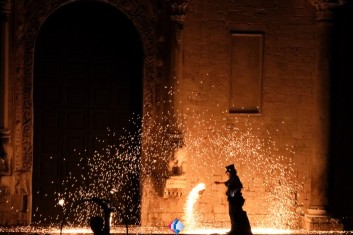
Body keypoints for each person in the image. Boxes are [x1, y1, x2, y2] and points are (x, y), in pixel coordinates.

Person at [214, 164, 252, 235]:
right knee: (232, 214)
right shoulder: (232, 178)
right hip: (232, 199)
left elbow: (239, 186)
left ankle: (237, 230)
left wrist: (233, 193)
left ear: (231, 171)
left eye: (227, 172)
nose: (227, 173)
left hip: (236, 200)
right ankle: (234, 229)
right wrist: (219, 183)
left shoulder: (235, 178)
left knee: (235, 214)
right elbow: (227, 182)